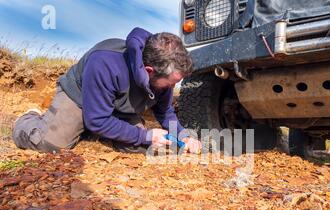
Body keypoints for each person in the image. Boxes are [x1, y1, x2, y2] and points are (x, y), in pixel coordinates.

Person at [12, 27, 202, 154]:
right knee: (51, 143)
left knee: (145, 147)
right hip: (79, 97)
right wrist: (145, 134)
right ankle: (28, 120)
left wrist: (183, 135)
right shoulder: (105, 62)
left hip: (119, 107)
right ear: (149, 70)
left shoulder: (163, 76)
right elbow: (97, 119)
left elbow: (165, 111)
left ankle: (88, 130)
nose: (173, 87)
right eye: (171, 83)